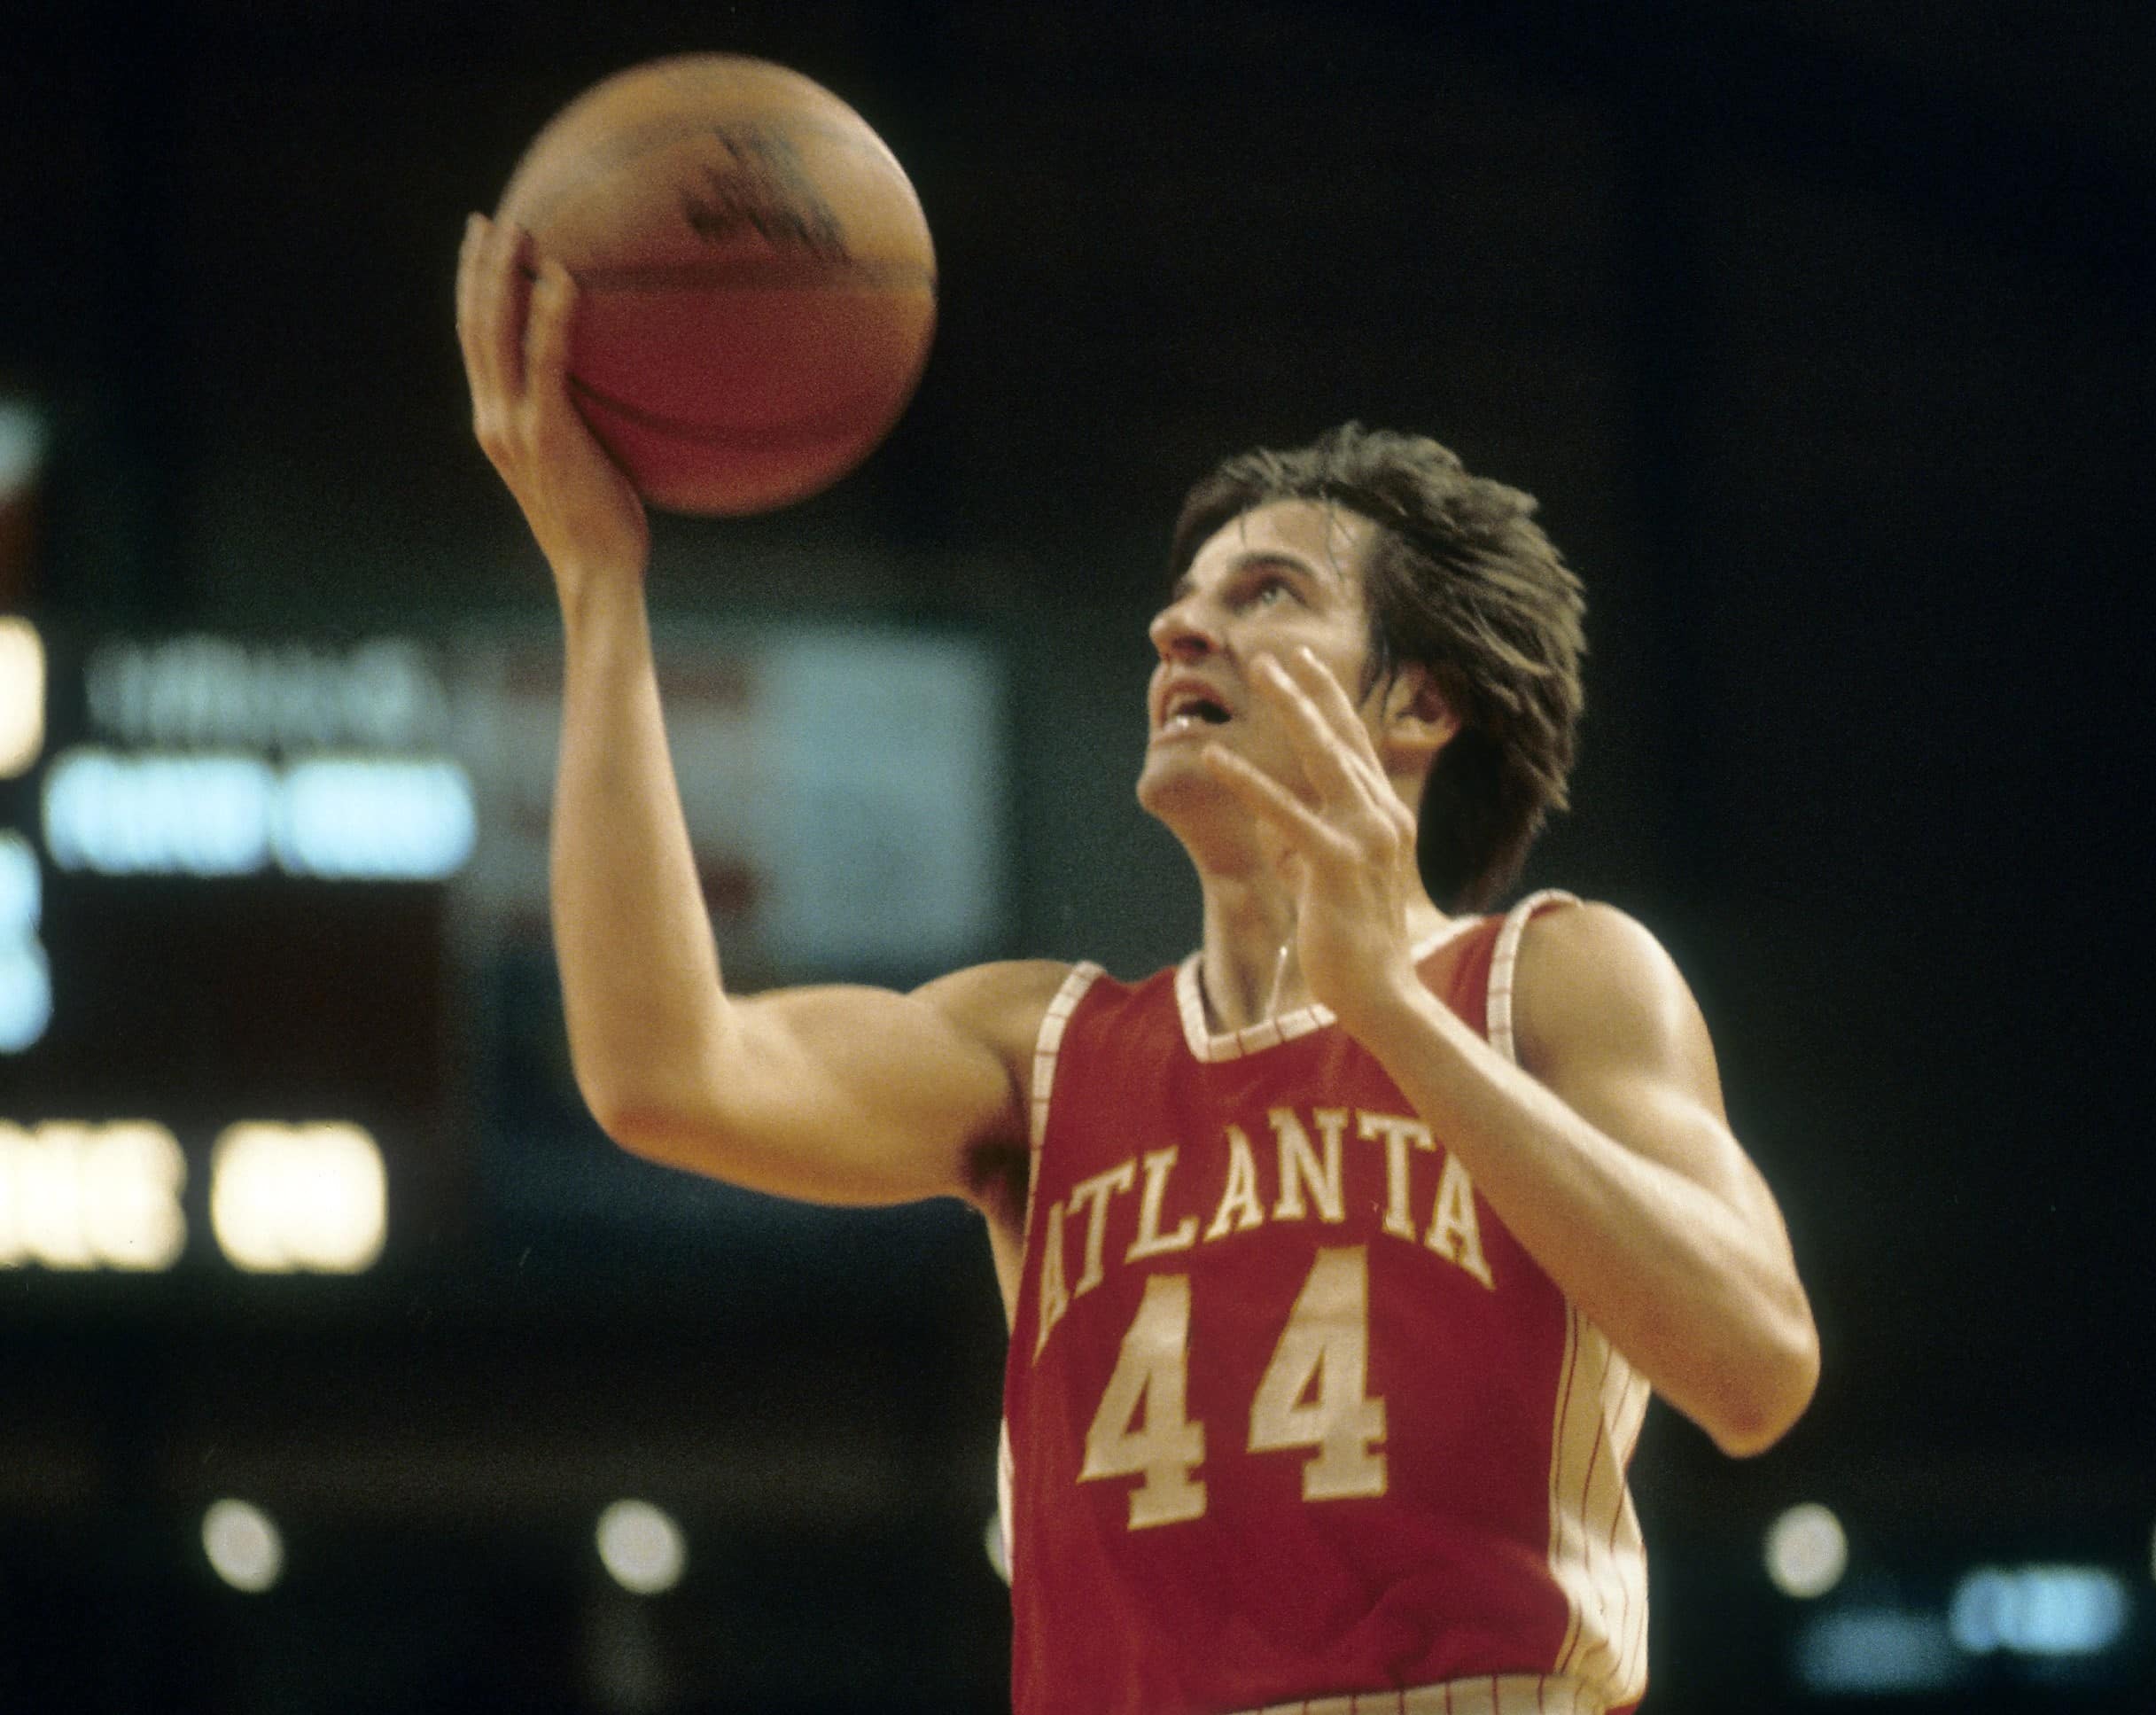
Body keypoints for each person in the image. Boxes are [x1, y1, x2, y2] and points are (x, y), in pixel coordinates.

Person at [455, 214, 1819, 1715]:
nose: (1178, 626)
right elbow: (663, 1073)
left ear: (1417, 703)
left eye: (1268, 595)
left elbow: (1754, 1371)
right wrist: (599, 580)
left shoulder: (1548, 982)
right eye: (1183, 598)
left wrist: (1387, 1013)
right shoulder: (1039, 1052)